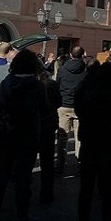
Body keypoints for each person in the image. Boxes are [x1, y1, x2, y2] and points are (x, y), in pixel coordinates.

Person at [0, 49, 46, 221]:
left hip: (6, 134)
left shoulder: (7, 81)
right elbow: (44, 109)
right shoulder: (35, 84)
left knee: (1, 175)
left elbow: (0, 105)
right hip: (27, 136)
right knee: (23, 178)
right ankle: (21, 216)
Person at [76, 62, 111, 221]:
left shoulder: (89, 95)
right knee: (108, 190)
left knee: (85, 189)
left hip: (89, 146)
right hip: (110, 148)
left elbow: (80, 113)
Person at [55, 46, 88, 174]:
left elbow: (58, 85)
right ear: (82, 56)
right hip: (80, 106)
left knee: (62, 137)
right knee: (79, 137)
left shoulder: (62, 69)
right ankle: (80, 163)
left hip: (64, 105)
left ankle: (60, 164)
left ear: (70, 55)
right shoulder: (86, 70)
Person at [39, 70, 62, 204]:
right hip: (49, 124)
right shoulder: (51, 85)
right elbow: (59, 102)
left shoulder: (34, 85)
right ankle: (47, 192)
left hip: (34, 124)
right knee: (47, 161)